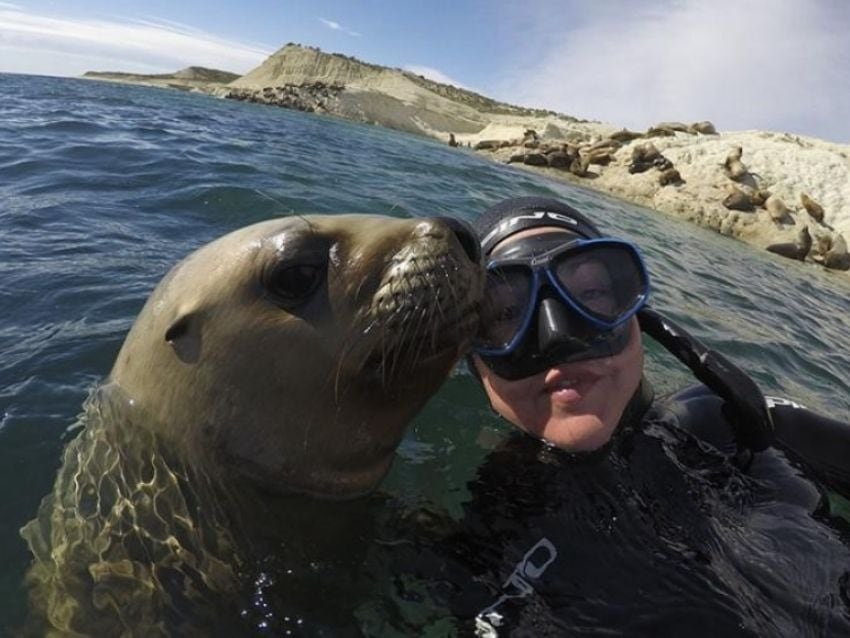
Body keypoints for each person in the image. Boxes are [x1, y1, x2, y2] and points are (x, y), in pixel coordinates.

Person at [410, 196, 850, 636]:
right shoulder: (483, 536)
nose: (559, 336)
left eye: (592, 295)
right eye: (506, 314)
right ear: (474, 363)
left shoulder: (728, 423)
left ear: (638, 318)